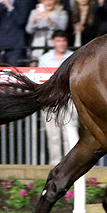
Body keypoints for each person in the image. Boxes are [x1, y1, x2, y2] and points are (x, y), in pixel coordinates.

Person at [38, 31, 79, 165]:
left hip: (69, 99)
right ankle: (55, 164)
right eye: (58, 41)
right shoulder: (44, 58)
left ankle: (71, 165)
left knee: (70, 133)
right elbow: (41, 80)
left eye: (63, 41)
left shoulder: (73, 56)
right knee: (53, 137)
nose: (61, 44)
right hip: (51, 100)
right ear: (53, 42)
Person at [25, 0, 69, 64]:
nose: (48, 3)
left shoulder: (61, 13)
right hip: (38, 45)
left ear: (55, 0)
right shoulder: (34, 12)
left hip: (54, 47)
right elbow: (28, 30)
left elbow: (62, 28)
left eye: (50, 0)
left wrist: (48, 20)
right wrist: (34, 20)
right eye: (45, 0)